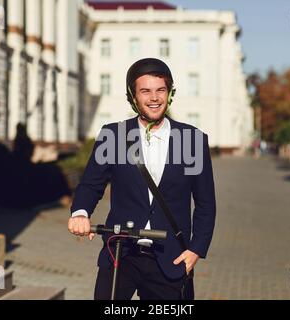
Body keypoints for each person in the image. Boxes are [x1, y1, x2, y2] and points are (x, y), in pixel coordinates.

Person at [67, 58, 216, 300]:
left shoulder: (192, 140)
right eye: (145, 91)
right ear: (133, 96)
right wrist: (81, 213)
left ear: (169, 94)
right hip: (120, 252)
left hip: (171, 257)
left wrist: (196, 250)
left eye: (161, 90)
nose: (154, 98)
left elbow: (206, 203)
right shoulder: (113, 136)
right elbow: (91, 184)